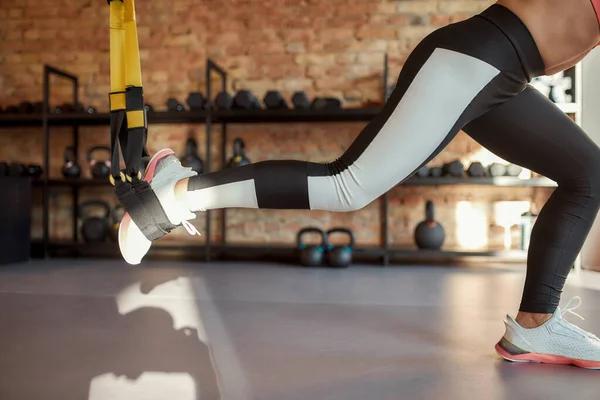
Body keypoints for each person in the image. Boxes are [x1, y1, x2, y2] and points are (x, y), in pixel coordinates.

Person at [117, 0, 600, 368]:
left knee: (588, 172)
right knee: (347, 186)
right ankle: (177, 190)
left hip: (504, 74)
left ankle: (537, 324)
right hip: (477, 58)